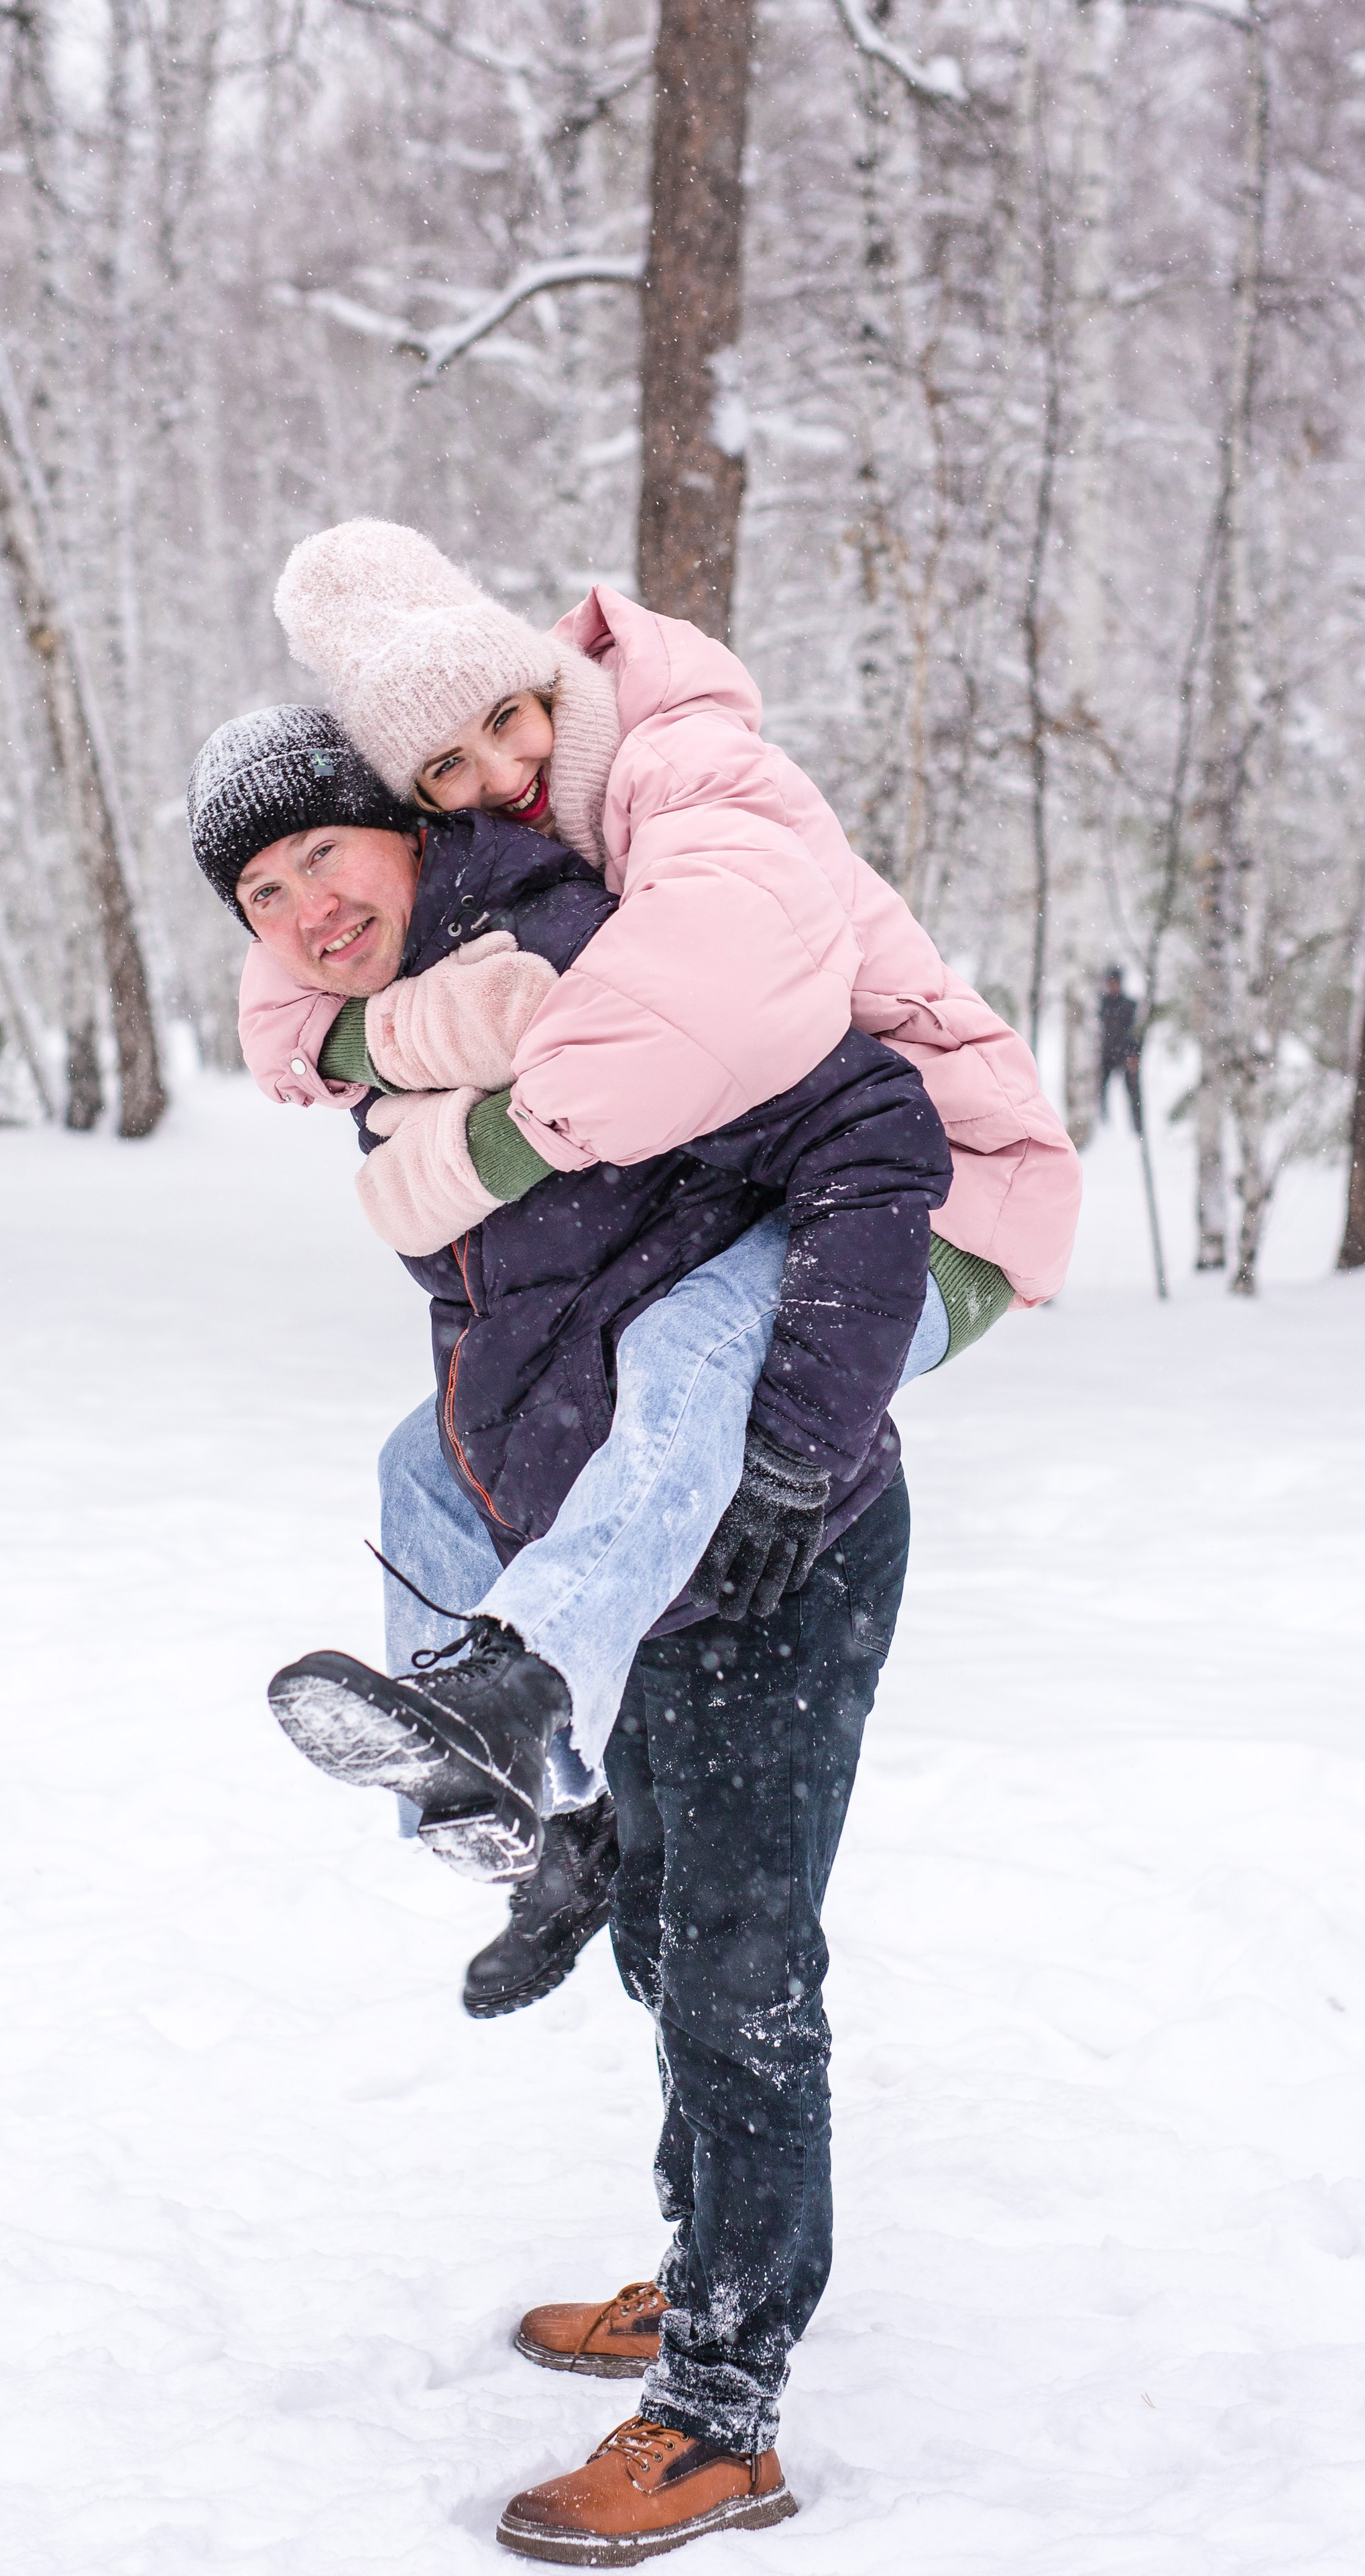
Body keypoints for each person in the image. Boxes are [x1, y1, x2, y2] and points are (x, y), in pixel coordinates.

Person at [190, 710, 952, 2559]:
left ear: (405, 829)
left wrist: (796, 1453)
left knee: (739, 1964)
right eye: (263, 894)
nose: (304, 908)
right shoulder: (418, 1038)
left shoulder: (601, 961)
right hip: (613, 1565)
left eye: (323, 855)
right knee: (657, 1921)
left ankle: (720, 2411)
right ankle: (687, 2231)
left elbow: (876, 1133)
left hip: (775, 1547)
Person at [234, 520, 1079, 2001]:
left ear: (551, 683)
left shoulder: (683, 770)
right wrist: (363, 1024)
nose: (498, 773)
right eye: (445, 769)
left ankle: (526, 1687)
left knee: (686, 1348)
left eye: (507, 720)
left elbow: (698, 1017)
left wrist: (489, 1130)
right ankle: (511, 1799)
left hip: (942, 1196)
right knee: (423, 1461)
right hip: (802, 1172)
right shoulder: (527, 851)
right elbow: (290, 969)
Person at [1098, 964, 1144, 1133]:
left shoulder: (1129, 1005)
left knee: (1133, 1093)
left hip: (1126, 1054)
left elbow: (1136, 1032)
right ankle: (1104, 1125)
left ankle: (1138, 1129)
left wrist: (1135, 1054)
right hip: (1107, 1055)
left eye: (1115, 982)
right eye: (1111, 982)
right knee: (1101, 1092)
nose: (1113, 986)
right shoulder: (1103, 1004)